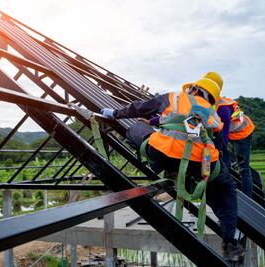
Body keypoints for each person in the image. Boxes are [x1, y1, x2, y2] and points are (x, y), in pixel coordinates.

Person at [101, 77, 244, 261]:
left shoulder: (175, 97)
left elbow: (141, 107)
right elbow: (218, 140)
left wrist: (115, 113)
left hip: (165, 154)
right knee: (226, 191)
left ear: (193, 89)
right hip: (200, 162)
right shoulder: (212, 112)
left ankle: (171, 170)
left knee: (136, 129)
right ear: (211, 98)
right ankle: (230, 243)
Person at [204, 72, 255, 198]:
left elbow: (224, 136)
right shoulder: (211, 103)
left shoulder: (222, 108)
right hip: (233, 133)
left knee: (243, 169)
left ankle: (248, 199)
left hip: (242, 134)